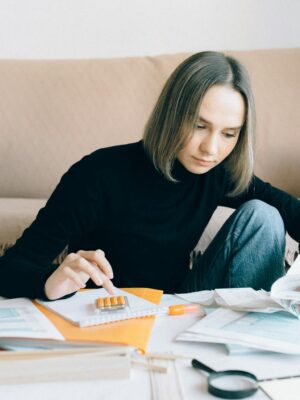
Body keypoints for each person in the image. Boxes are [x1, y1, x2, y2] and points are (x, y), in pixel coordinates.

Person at [0, 51, 299, 301]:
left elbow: (291, 212)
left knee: (264, 216)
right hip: (105, 310)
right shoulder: (96, 174)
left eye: (229, 134)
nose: (211, 148)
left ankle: (248, 348)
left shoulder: (217, 172)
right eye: (198, 125)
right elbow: (11, 268)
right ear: (172, 114)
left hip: (178, 307)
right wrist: (50, 283)